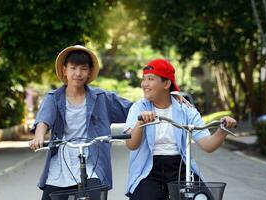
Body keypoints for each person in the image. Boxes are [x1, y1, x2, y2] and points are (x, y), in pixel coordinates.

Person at [28, 45, 132, 200]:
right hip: (62, 162)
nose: (78, 73)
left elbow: (132, 109)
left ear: (89, 71)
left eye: (83, 68)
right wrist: (39, 136)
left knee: (96, 195)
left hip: (93, 162)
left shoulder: (102, 97)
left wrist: (167, 97)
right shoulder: (53, 98)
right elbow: (44, 120)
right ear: (64, 70)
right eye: (73, 68)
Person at [124, 58, 237, 200]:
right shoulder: (139, 108)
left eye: (150, 79)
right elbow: (131, 145)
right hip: (148, 170)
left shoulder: (185, 110)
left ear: (166, 84)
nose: (144, 84)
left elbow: (208, 145)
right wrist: (140, 121)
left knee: (202, 198)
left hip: (180, 167)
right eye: (143, 79)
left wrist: (222, 129)